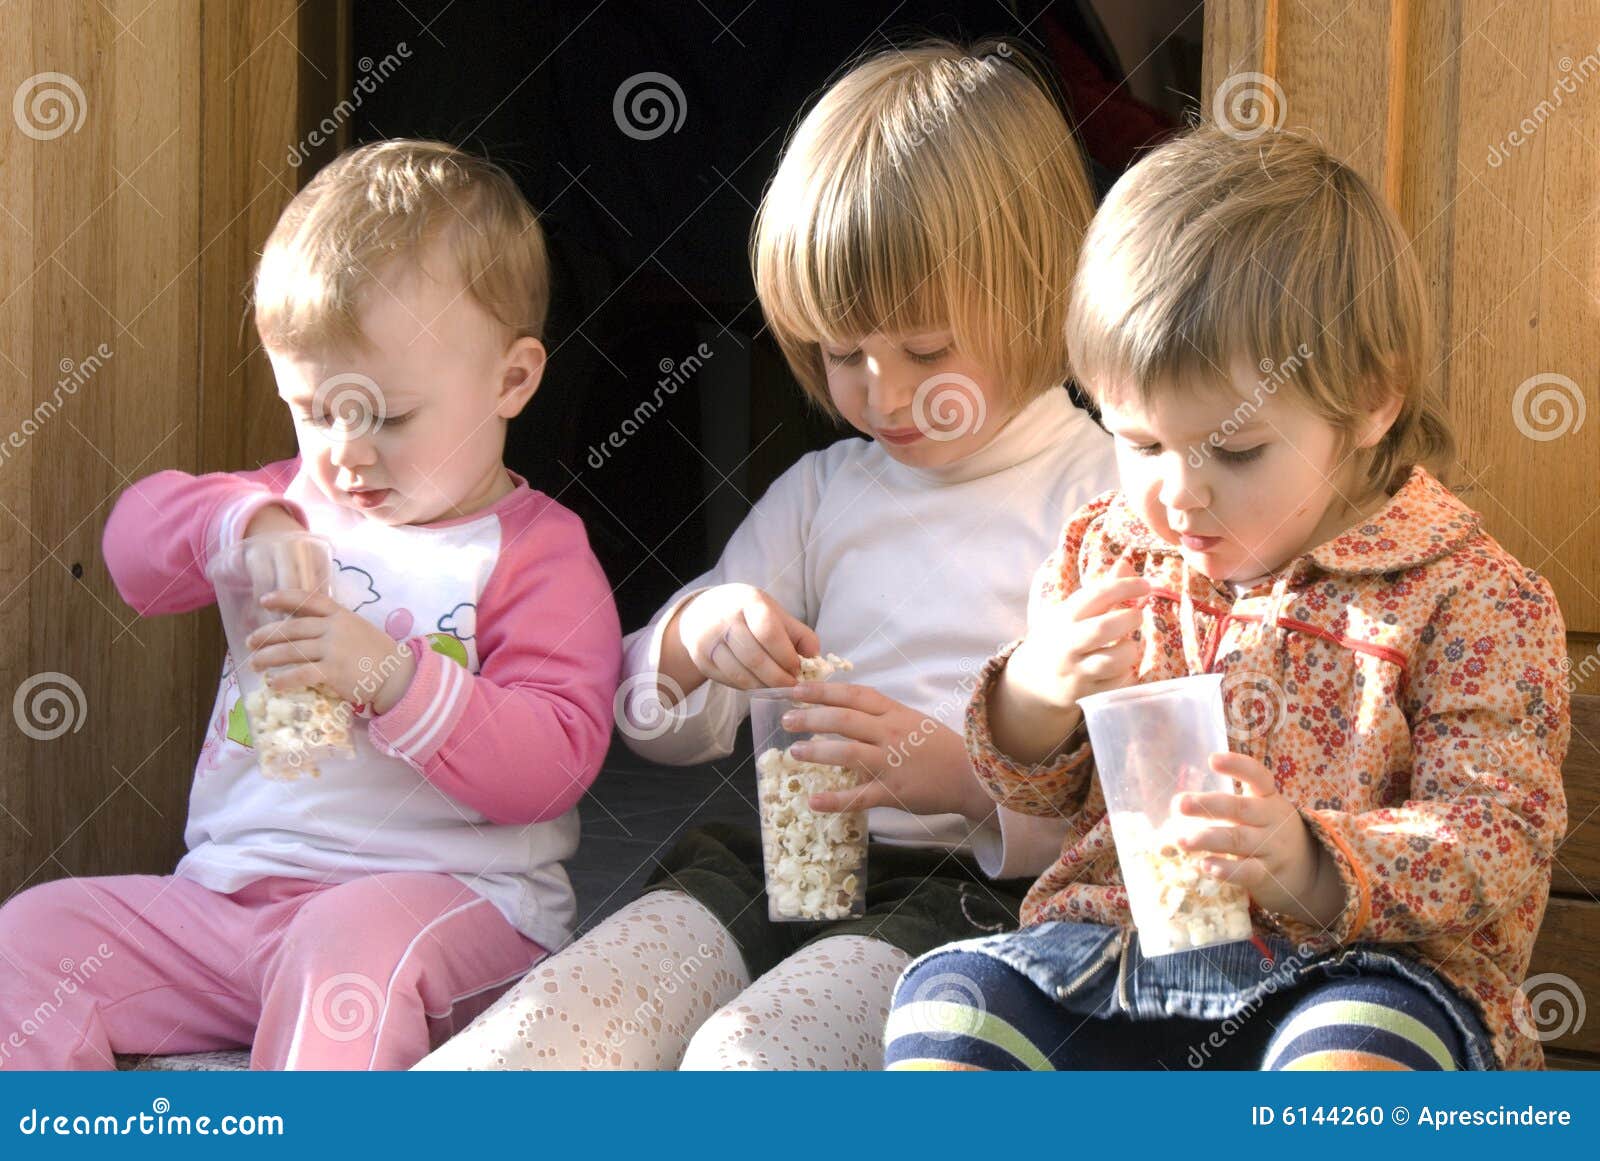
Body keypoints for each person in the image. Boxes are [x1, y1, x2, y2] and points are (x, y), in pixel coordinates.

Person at [416, 40, 1116, 1070]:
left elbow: (1134, 795)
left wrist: (968, 781)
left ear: (1041, 288)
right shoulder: (823, 493)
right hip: (779, 860)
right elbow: (660, 724)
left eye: (923, 351)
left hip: (979, 897)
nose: (878, 394)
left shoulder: (1101, 496)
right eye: (841, 354)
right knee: (542, 1032)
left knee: (751, 1058)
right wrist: (699, 639)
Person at [882, 125, 1571, 1072]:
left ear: (1370, 398)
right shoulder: (1109, 548)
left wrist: (1307, 858)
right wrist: (1035, 695)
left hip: (1360, 975)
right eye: (1141, 442)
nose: (1178, 492)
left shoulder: (1467, 597)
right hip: (1117, 958)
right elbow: (1034, 786)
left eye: (1235, 451)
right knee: (948, 1013)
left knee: (1353, 1061)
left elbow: (1500, 834)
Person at [0, 141, 621, 1070]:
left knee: (350, 945)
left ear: (512, 380)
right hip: (229, 906)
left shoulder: (534, 551)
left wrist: (387, 674)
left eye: (389, 416)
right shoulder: (283, 509)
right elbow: (134, 547)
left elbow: (552, 763)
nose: (345, 452)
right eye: (314, 408)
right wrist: (244, 524)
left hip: (449, 909)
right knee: (35, 932)